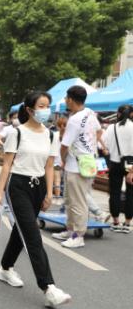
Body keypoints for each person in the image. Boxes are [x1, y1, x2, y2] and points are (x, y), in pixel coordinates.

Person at [0, 91, 71, 307]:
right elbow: (7, 164)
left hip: (38, 188)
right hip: (17, 186)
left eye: (48, 106)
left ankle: (5, 268)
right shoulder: (17, 134)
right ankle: (49, 287)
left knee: (21, 231)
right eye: (41, 106)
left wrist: (50, 193)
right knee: (33, 234)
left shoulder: (52, 135)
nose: (46, 110)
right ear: (29, 109)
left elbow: (49, 165)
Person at [52, 85, 102, 248]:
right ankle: (70, 230)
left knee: (77, 202)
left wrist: (63, 160)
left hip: (76, 166)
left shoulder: (74, 119)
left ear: (71, 100)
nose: (66, 101)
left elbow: (64, 145)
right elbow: (99, 132)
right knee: (70, 199)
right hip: (87, 163)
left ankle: (78, 235)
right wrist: (90, 147)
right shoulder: (90, 114)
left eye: (66, 98)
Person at [101, 104, 133, 233]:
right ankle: (127, 223)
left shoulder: (111, 128)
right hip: (131, 163)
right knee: (131, 193)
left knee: (114, 192)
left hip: (115, 162)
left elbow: (105, 146)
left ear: (118, 114)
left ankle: (115, 221)